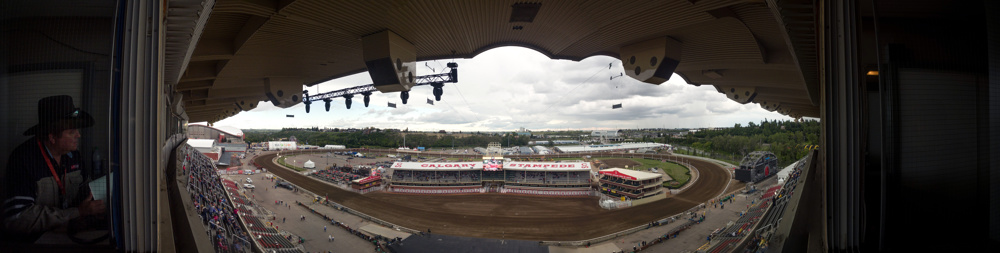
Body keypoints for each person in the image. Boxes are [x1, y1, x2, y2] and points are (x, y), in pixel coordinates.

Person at [2, 96, 106, 241]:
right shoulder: (23, 160)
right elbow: (17, 218)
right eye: (71, 132)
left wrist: (96, 207)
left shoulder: (73, 155)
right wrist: (77, 212)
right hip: (35, 243)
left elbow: (85, 192)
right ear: (52, 137)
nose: (79, 135)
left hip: (69, 234)